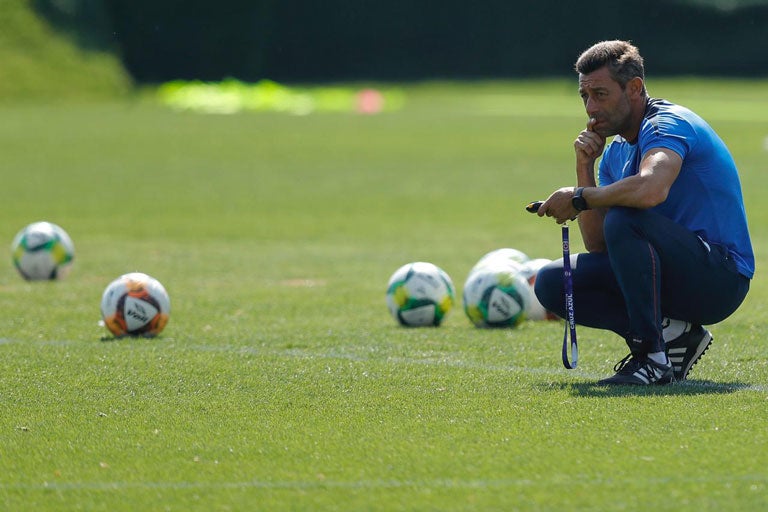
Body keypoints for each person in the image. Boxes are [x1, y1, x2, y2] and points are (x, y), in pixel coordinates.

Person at [533, 40, 754, 385]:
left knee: (625, 217)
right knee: (554, 282)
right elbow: (599, 245)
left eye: (601, 94)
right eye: (584, 96)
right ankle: (674, 335)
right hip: (670, 274)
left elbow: (651, 189)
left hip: (720, 280)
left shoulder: (667, 124)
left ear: (634, 88)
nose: (591, 107)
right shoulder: (615, 153)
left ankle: (651, 357)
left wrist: (579, 198)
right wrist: (584, 169)